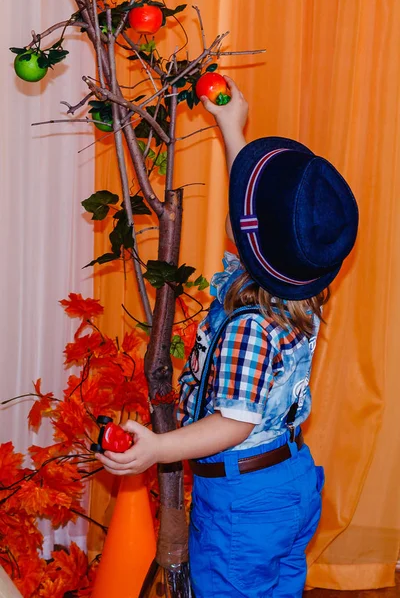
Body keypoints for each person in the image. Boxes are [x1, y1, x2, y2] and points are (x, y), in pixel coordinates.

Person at [96, 77, 359, 597]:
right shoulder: (298, 288)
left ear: (250, 234)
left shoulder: (249, 329)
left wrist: (159, 448)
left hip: (243, 504)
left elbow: (235, 422)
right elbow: (260, 219)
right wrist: (230, 125)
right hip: (288, 484)